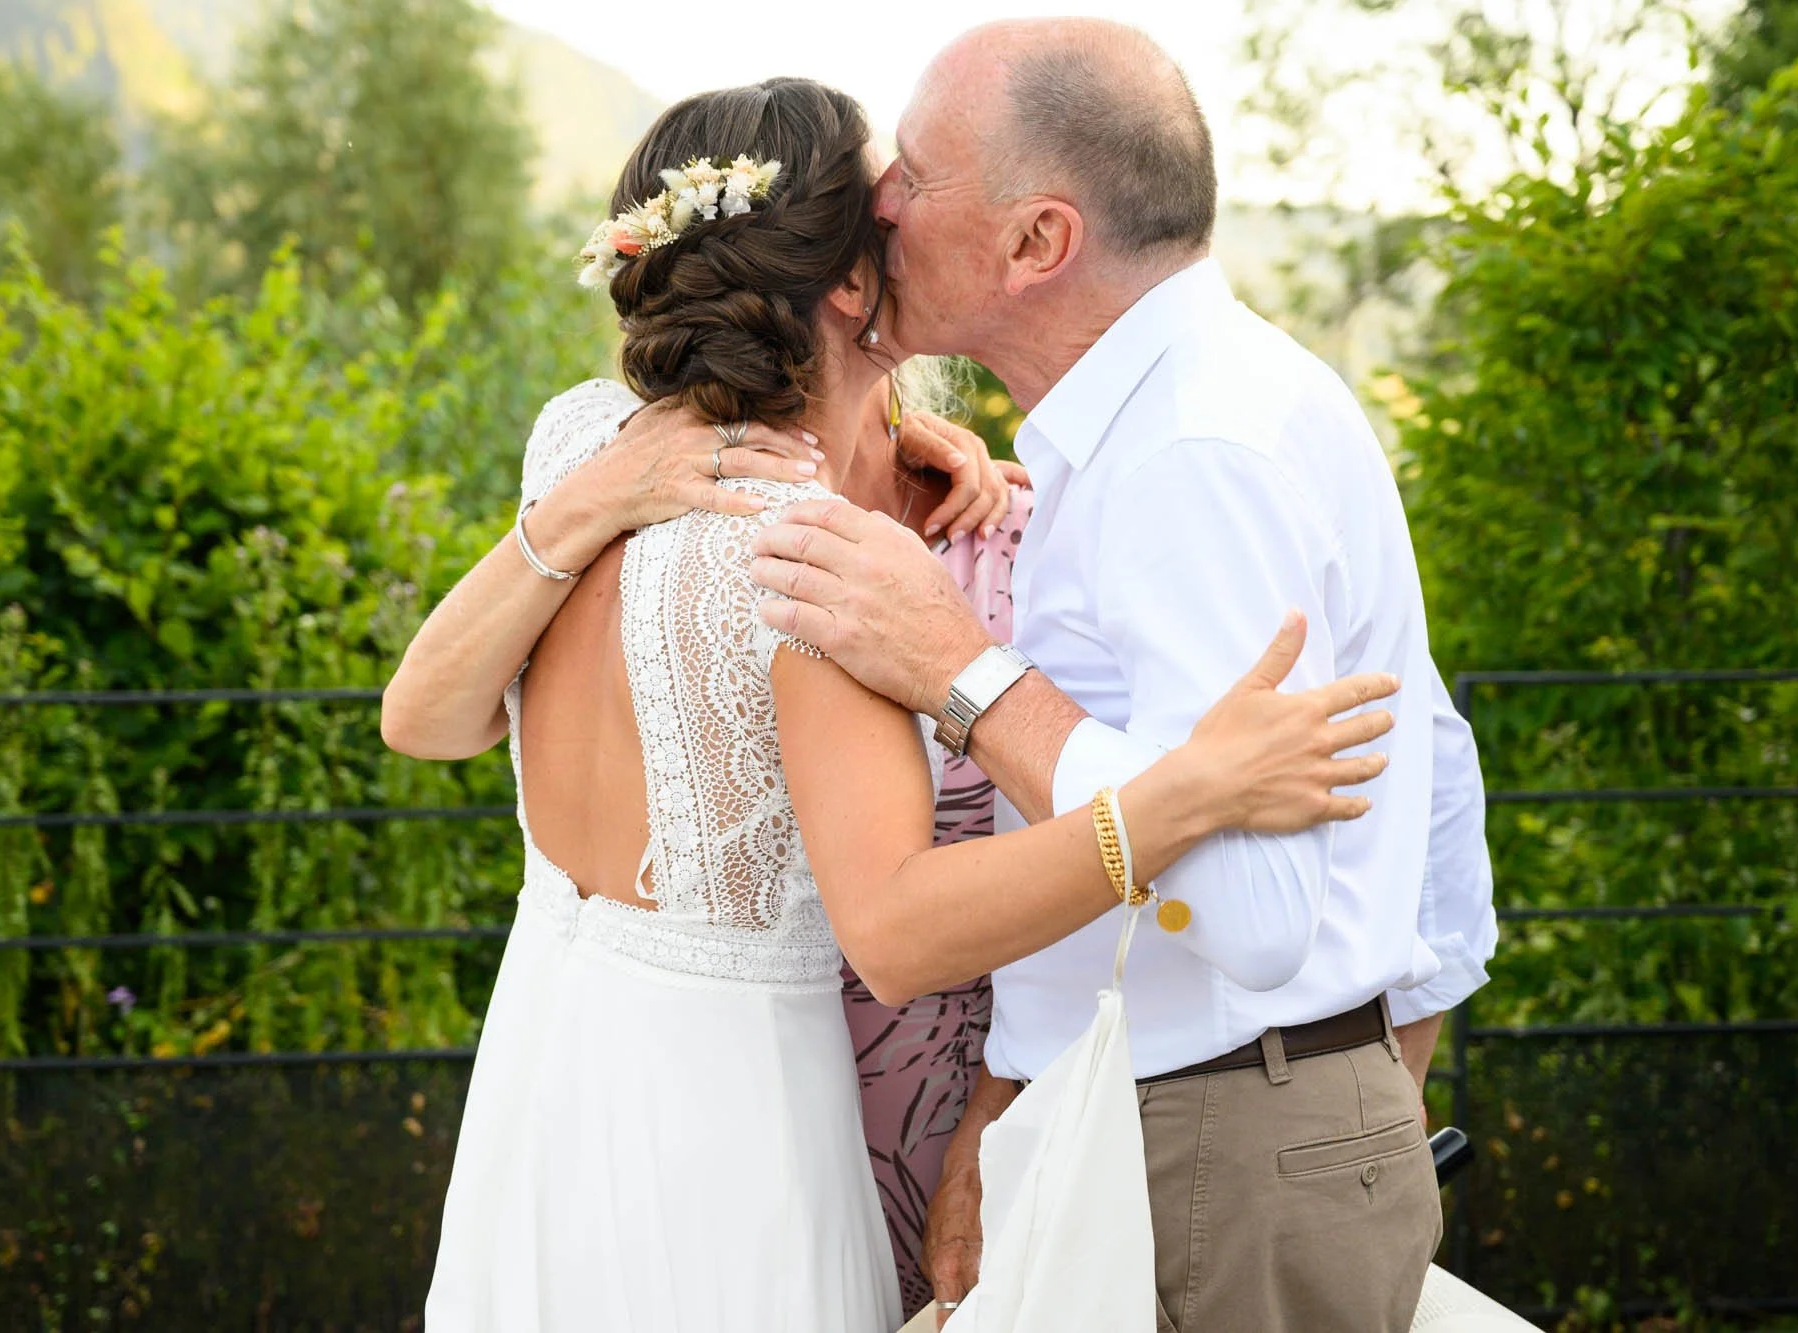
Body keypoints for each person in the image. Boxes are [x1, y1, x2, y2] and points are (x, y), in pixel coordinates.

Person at [384, 76, 1402, 1333]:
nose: (909, 213)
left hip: (553, 1085)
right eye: (894, 193)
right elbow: (900, 931)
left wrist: (909, 449)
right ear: (852, 281)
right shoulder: (825, 566)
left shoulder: (587, 438)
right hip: (735, 1130)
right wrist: (1174, 797)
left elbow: (428, 719)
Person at [748, 21, 1499, 1332]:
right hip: (1189, 1119)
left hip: (1211, 1146)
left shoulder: (1188, 456)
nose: (878, 201)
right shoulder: (1172, 422)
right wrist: (1015, 1090)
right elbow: (1433, 762)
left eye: (915, 176)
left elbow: (1259, 917)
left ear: (1039, 240)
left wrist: (962, 670)